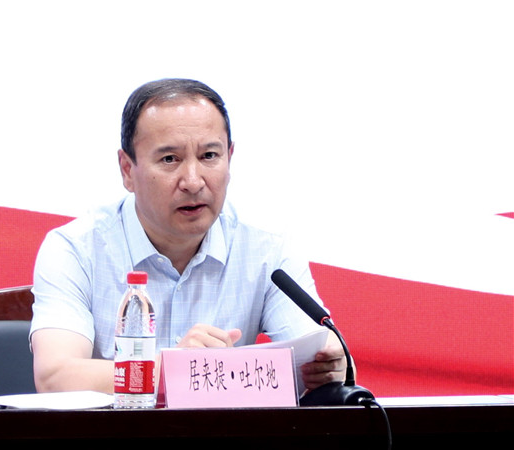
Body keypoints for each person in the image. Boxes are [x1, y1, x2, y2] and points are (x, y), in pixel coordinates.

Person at [29, 78, 346, 396]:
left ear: (229, 158)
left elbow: (318, 349)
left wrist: (331, 362)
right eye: (169, 159)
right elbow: (56, 378)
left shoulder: (268, 249)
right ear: (127, 170)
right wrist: (175, 370)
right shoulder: (76, 249)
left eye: (209, 156)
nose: (193, 182)